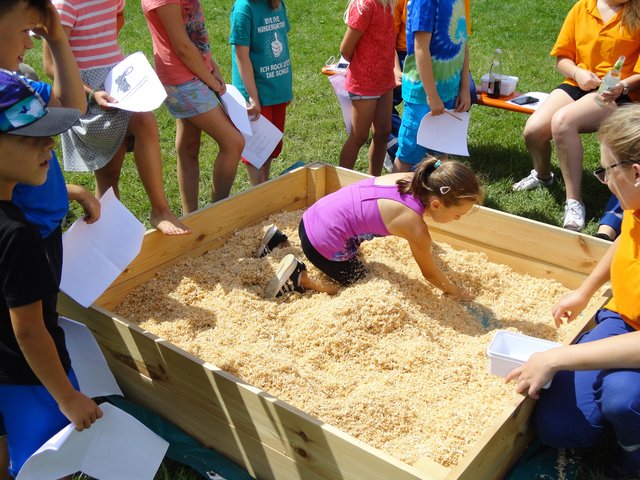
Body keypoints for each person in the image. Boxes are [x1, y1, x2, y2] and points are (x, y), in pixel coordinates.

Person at [506, 104, 640, 476]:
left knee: (623, 397)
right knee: (560, 428)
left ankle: (632, 454)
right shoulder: (636, 201)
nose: (605, 181)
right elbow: (625, 242)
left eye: (606, 170)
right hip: (622, 319)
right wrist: (585, 290)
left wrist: (556, 358)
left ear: (636, 172)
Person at [0, 69, 103, 479]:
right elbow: (29, 330)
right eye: (31, 138)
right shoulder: (17, 235)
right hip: (29, 377)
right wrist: (67, 396)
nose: (49, 144)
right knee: (44, 466)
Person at [48, 0, 190, 234]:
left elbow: (115, 22)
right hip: (86, 96)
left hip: (118, 87)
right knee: (108, 177)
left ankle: (158, 211)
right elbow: (51, 66)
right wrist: (92, 93)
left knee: (142, 123)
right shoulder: (65, 5)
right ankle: (105, 233)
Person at [260, 157, 483, 299]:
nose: (457, 219)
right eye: (458, 214)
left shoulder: (410, 179)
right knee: (362, 285)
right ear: (435, 204)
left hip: (310, 219)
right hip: (321, 244)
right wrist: (459, 293)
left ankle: (278, 242)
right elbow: (430, 274)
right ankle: (300, 278)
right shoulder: (415, 227)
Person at [511, 0, 640, 232]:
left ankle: (574, 202)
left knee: (563, 122)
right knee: (534, 130)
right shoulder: (583, 7)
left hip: (615, 92)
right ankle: (543, 175)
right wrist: (578, 72)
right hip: (577, 83)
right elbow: (562, 57)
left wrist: (622, 86)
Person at [141, 0, 245, 214]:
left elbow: (193, 35)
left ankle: (192, 217)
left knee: (188, 145)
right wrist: (209, 78)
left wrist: (212, 65)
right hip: (182, 80)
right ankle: (216, 214)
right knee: (233, 142)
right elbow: (182, 46)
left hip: (195, 71)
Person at [392, 0, 471, 173]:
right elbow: (420, 48)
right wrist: (432, 95)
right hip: (422, 96)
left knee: (441, 156)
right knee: (408, 155)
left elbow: (463, 43)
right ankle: (395, 190)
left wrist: (464, 87)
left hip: (449, 92)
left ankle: (433, 188)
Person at [229, 0, 293, 186]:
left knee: (271, 146)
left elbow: (282, 42)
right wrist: (252, 96)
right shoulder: (244, 8)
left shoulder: (276, 3)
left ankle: (265, 185)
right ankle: (258, 191)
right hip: (255, 93)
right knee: (256, 152)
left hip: (276, 89)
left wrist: (285, 87)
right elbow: (241, 56)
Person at [338, 0, 396, 177]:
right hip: (364, 82)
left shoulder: (388, 4)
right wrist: (364, 66)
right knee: (359, 135)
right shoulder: (366, 5)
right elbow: (345, 49)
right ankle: (341, 183)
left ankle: (373, 180)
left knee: (383, 132)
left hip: (385, 79)